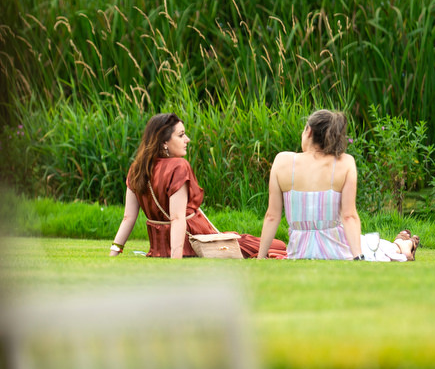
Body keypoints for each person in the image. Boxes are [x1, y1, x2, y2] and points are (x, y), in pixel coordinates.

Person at [109, 112, 286, 259]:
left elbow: (128, 218)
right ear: (164, 142)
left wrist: (114, 251)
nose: (187, 139)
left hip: (159, 248)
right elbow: (177, 218)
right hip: (195, 242)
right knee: (277, 244)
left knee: (248, 240)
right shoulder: (178, 166)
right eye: (181, 135)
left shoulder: (137, 168)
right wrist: (176, 259)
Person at [256, 109, 364, 261]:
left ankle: (405, 243)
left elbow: (271, 217)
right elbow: (349, 216)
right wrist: (358, 257)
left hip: (299, 253)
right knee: (378, 245)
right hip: (337, 252)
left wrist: (260, 258)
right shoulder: (345, 162)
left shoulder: (282, 161)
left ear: (309, 131)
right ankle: (405, 243)